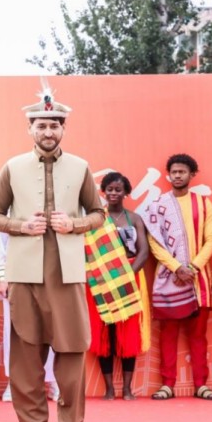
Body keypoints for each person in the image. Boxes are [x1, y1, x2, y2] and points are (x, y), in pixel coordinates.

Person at [0, 85, 103, 422]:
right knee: (25, 362)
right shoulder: (12, 167)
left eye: (54, 125)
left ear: (63, 129)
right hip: (25, 276)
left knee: (71, 359)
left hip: (67, 276)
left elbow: (98, 214)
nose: (48, 131)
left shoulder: (80, 167)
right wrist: (22, 226)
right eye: (41, 125)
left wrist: (74, 224)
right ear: (30, 129)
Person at [146, 154, 212, 400]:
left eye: (182, 172)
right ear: (169, 175)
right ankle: (167, 385)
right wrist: (177, 268)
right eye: (174, 172)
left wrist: (193, 268)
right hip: (170, 280)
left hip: (199, 281)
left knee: (198, 336)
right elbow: (154, 243)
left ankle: (201, 385)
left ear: (192, 175)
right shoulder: (158, 205)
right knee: (168, 334)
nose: (177, 176)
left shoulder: (204, 204)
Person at [86, 172, 151, 401]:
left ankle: (127, 389)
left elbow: (144, 251)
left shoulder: (134, 218)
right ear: (103, 192)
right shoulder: (95, 219)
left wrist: (127, 276)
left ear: (126, 193)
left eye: (118, 189)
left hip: (130, 279)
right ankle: (109, 389)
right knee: (104, 333)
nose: (113, 193)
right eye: (109, 189)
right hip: (100, 280)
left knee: (128, 333)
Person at [0, 230, 59, 403]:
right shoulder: (5, 214)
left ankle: (53, 380)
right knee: (13, 330)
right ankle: (13, 381)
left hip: (47, 273)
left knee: (50, 329)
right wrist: (2, 278)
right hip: (15, 276)